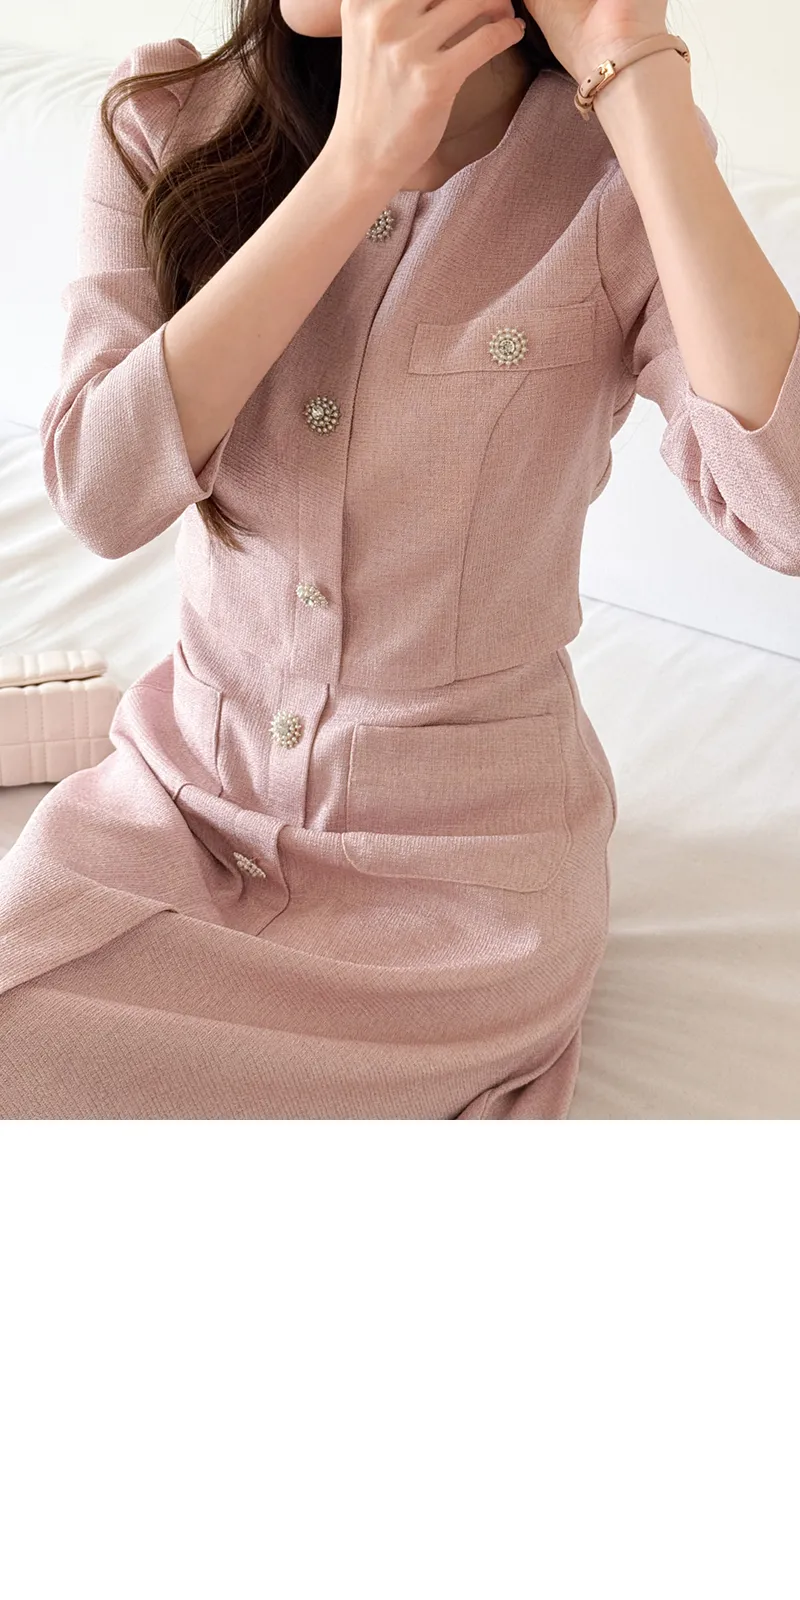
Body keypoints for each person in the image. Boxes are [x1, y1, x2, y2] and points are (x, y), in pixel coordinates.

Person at [1, 0, 798, 1117]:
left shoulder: (610, 178)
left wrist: (639, 76)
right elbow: (100, 490)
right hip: (172, 810)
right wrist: (354, 166)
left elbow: (783, 510)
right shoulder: (163, 120)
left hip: (463, 897)